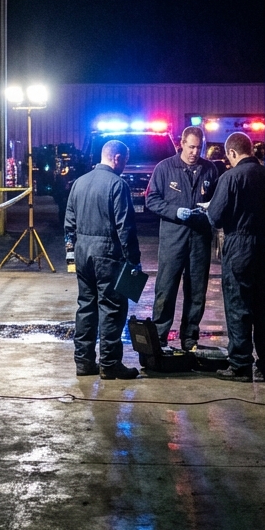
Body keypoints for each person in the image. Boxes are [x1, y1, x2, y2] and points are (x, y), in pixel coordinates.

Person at [205, 131, 265, 382]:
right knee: (264, 306)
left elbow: (215, 217)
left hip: (239, 245)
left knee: (239, 305)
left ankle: (240, 365)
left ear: (231, 153)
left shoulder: (230, 178)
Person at [64, 139, 141, 380]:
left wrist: (71, 257)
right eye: (125, 162)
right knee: (112, 309)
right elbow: (125, 228)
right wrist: (134, 262)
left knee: (86, 306)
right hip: (108, 255)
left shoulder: (79, 183)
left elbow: (69, 225)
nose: (125, 167)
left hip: (82, 253)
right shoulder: (117, 185)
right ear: (117, 158)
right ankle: (109, 364)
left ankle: (84, 362)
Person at [145, 125, 218, 351]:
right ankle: (159, 336)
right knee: (166, 289)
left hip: (200, 238)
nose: (195, 152)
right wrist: (173, 212)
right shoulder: (165, 168)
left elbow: (218, 200)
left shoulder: (210, 170)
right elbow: (152, 199)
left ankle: (190, 338)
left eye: (199, 147)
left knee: (197, 291)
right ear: (181, 145)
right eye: (191, 147)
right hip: (173, 239)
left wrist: (211, 211)